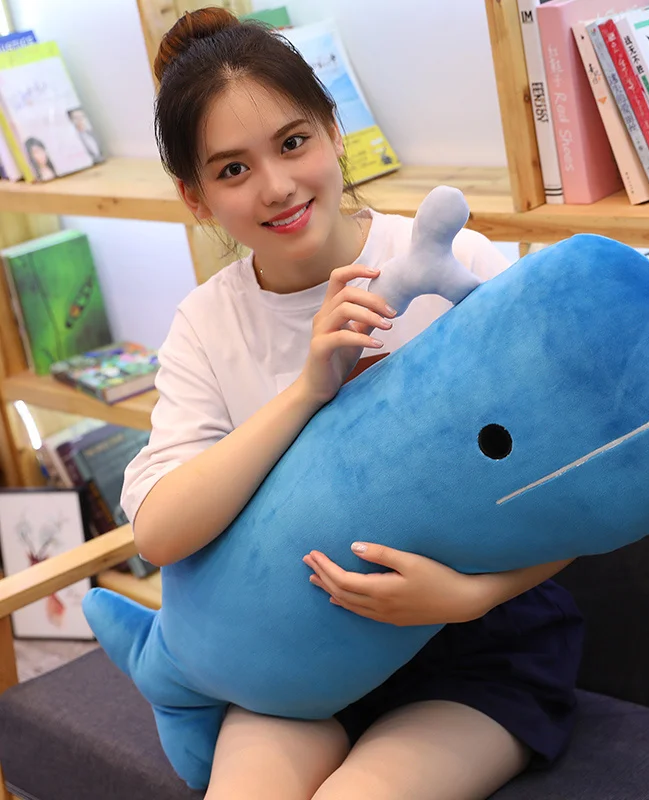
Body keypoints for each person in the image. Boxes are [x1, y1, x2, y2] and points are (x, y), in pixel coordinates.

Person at [121, 8, 584, 799]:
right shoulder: (206, 323)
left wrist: (465, 596)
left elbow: (577, 477)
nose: (276, 186)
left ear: (336, 132)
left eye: (292, 142)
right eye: (231, 170)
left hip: (475, 643)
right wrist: (308, 390)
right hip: (303, 657)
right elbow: (160, 530)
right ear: (195, 198)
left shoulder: (447, 261)